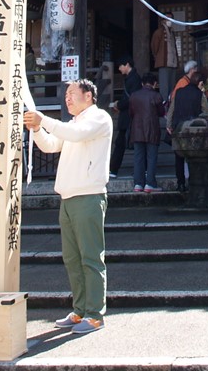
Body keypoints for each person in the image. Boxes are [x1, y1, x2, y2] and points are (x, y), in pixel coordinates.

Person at [24, 78, 112, 334]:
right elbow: (51, 146)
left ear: (89, 96)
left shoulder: (99, 118)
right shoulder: (72, 124)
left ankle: (95, 314)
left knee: (91, 257)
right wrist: (37, 129)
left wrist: (44, 120)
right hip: (68, 197)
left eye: (72, 93)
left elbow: (75, 134)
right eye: (66, 94)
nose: (68, 98)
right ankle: (80, 309)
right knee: (72, 259)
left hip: (89, 196)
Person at [166, 66, 208, 192]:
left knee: (179, 157)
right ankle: (194, 182)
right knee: (194, 157)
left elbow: (171, 110)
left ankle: (180, 183)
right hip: (193, 129)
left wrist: (169, 125)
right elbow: (206, 112)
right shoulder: (199, 94)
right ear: (200, 83)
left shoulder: (179, 92)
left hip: (178, 128)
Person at [129, 72, 164, 192]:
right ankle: (150, 183)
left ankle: (138, 184)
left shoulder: (134, 96)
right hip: (152, 129)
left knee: (138, 157)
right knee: (151, 157)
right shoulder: (157, 96)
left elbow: (131, 113)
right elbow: (161, 112)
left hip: (137, 129)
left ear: (142, 83)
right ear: (154, 84)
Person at [109, 59, 141, 177]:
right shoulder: (133, 78)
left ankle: (114, 169)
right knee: (124, 143)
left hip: (129, 116)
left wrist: (119, 105)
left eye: (121, 66)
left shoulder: (134, 79)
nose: (119, 68)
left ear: (127, 64)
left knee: (123, 143)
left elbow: (130, 99)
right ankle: (114, 169)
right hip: (129, 115)